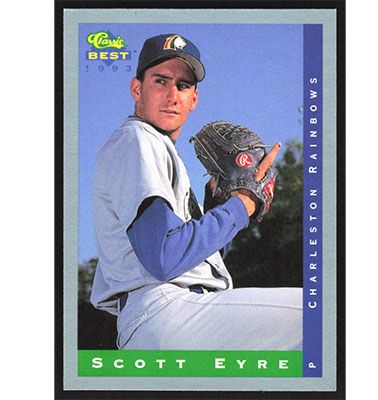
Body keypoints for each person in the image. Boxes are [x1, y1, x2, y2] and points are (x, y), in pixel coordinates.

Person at [90, 33, 302, 350]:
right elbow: (164, 256)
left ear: (194, 99)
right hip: (166, 311)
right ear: (137, 89)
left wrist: (216, 204)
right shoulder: (138, 139)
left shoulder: (158, 150)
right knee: (325, 312)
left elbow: (185, 259)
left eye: (183, 85)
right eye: (160, 81)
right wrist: (242, 204)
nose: (172, 95)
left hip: (171, 317)